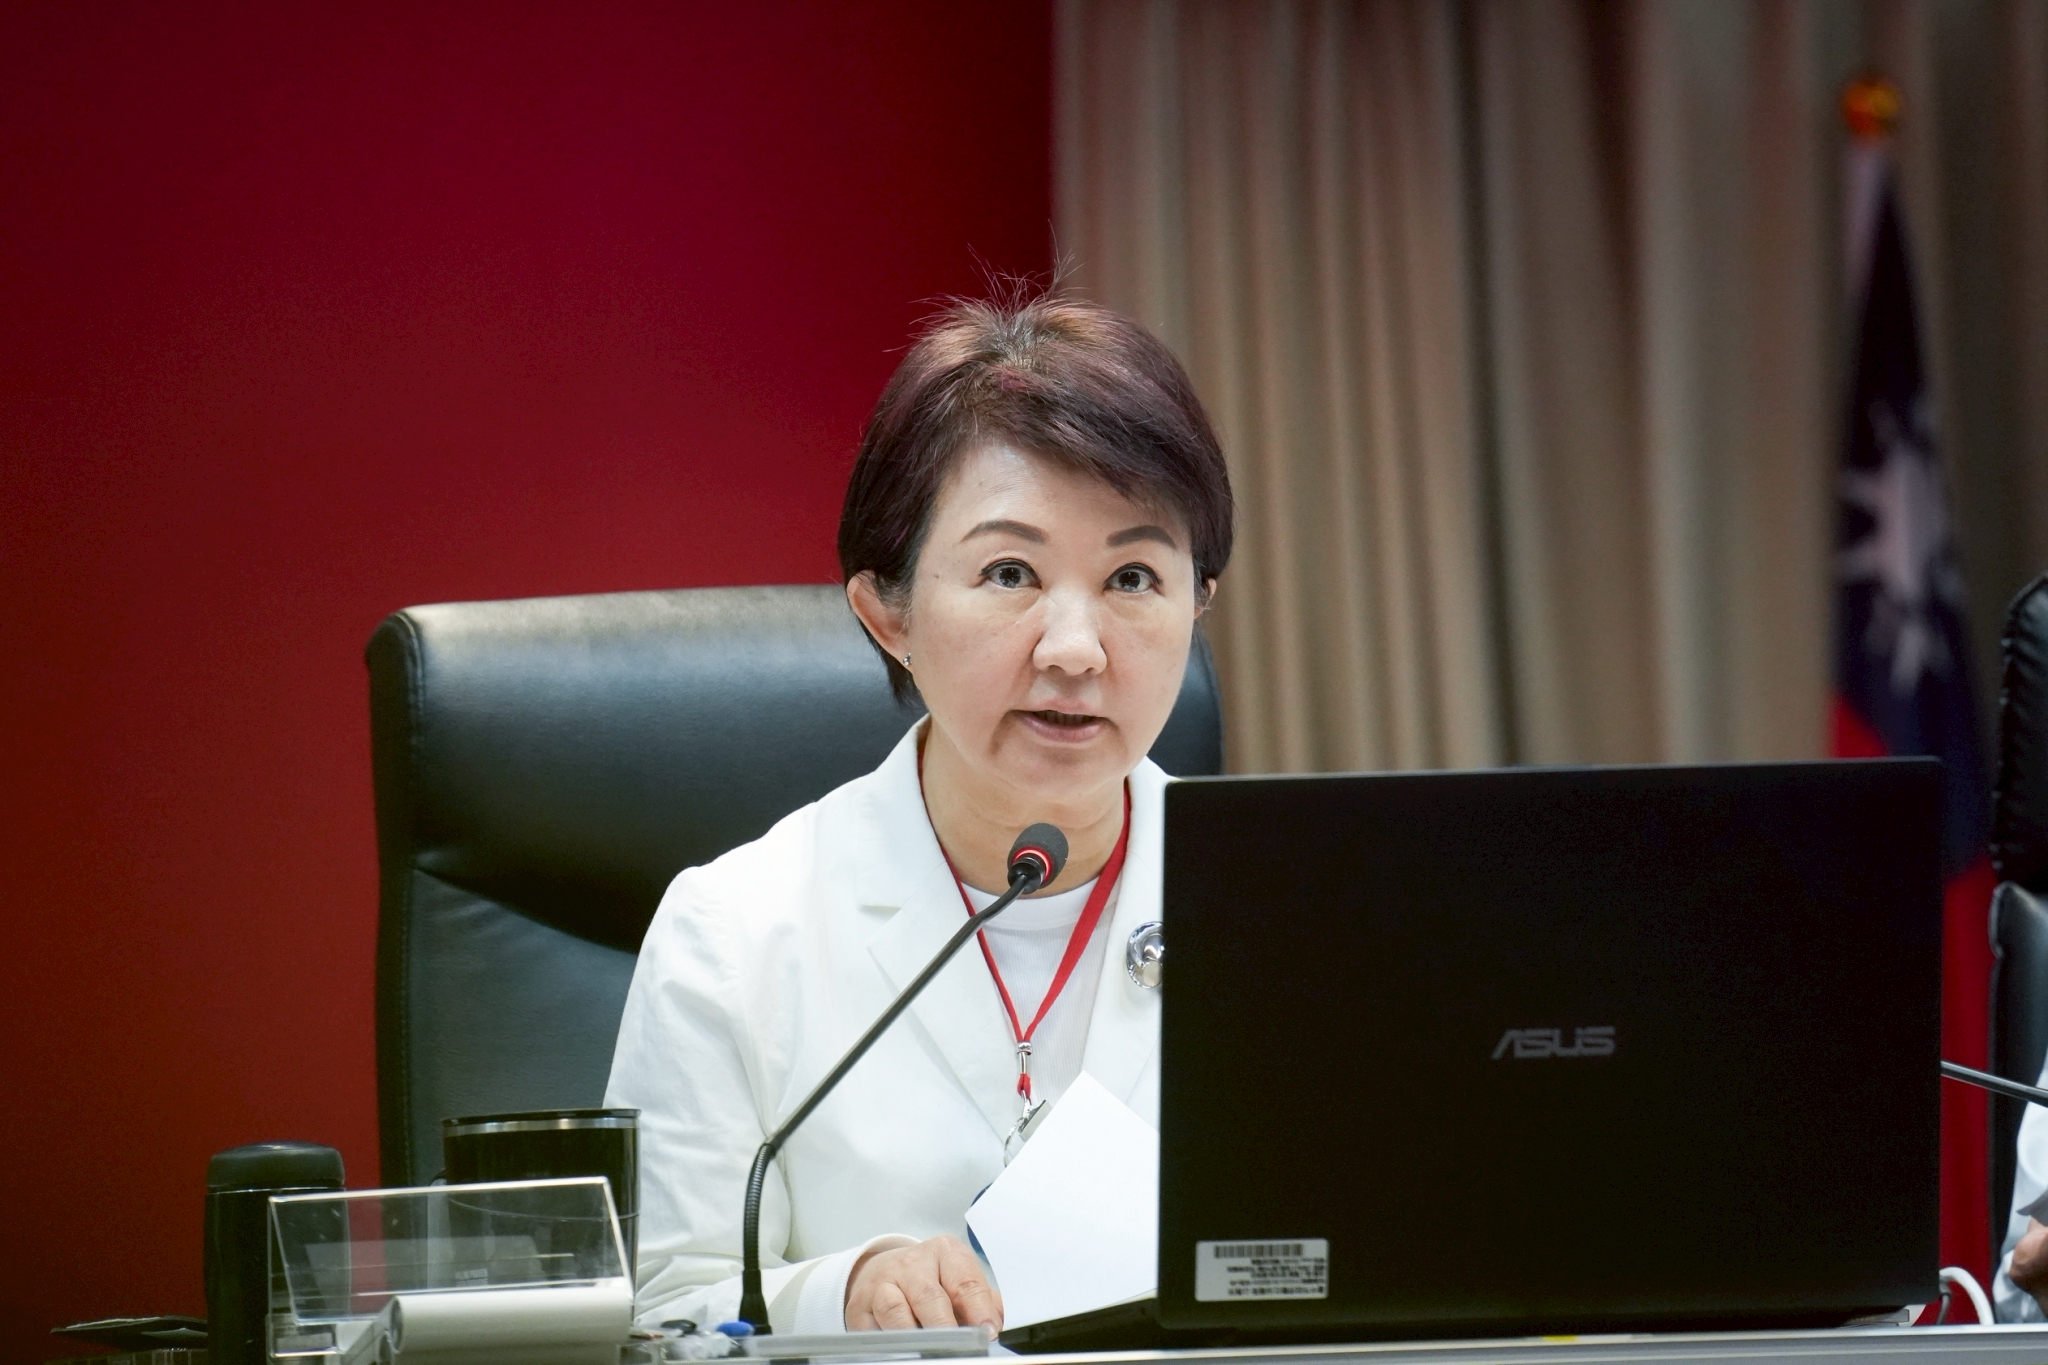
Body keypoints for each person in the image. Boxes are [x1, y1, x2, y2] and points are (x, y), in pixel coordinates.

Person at [604, 294, 1234, 1335]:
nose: (1074, 648)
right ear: (885, 613)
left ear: (1195, 604)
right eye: (1009, 573)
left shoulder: (1305, 910)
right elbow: (659, 1313)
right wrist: (841, 1294)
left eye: (1132, 577)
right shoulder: (733, 933)